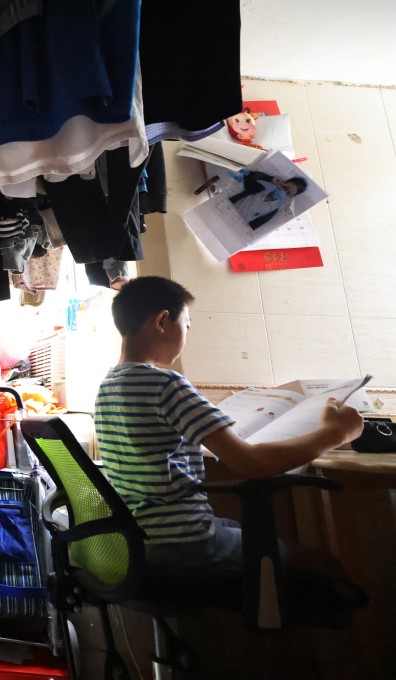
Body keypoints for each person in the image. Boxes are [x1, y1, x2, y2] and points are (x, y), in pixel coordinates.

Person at [94, 276, 363, 570]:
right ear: (162, 321)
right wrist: (334, 433)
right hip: (183, 542)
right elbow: (252, 464)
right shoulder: (164, 383)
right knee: (323, 566)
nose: (186, 335)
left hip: (137, 540)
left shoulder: (107, 386)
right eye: (187, 326)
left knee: (238, 528)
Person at [227, 169, 307, 230]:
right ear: (282, 182)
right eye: (285, 187)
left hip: (233, 228)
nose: (284, 192)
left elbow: (252, 228)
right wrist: (270, 179)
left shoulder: (272, 211)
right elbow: (248, 175)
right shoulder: (260, 186)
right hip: (223, 210)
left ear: (291, 197)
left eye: (288, 193)